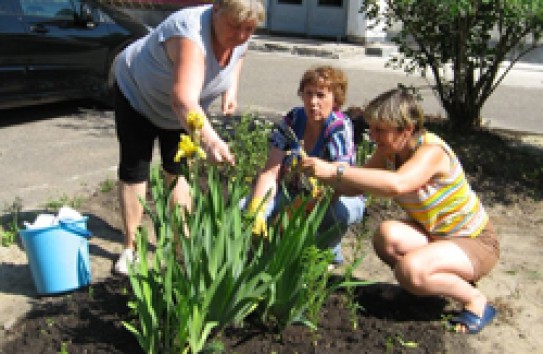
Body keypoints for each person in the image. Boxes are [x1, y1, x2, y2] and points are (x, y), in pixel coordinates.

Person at [300, 88, 500, 334]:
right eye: (372, 128)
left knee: (410, 271)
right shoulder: (389, 153)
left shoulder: (432, 152)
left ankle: (476, 301)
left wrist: (335, 170)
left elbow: (398, 184)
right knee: (386, 236)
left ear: (406, 129)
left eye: (380, 130)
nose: (372, 135)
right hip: (437, 236)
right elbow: (354, 186)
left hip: (475, 242)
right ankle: (427, 288)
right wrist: (318, 188)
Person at [113, 0, 265, 275]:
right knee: (136, 169)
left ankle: (181, 244)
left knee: (179, 170)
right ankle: (130, 248)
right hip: (138, 94)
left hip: (184, 110)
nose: (242, 35)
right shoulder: (189, 33)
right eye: (235, 26)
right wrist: (213, 140)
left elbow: (239, 53)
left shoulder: (238, 32)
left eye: (249, 29)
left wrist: (230, 90)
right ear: (216, 10)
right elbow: (182, 100)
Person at [244, 65, 365, 265]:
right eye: (308, 94)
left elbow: (339, 181)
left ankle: (327, 255)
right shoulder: (293, 120)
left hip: (335, 195)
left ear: (336, 99)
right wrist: (257, 208)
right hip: (294, 190)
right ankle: (261, 261)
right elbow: (271, 170)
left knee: (336, 215)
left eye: (321, 95)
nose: (313, 102)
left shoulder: (338, 126)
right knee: (245, 209)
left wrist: (294, 213)